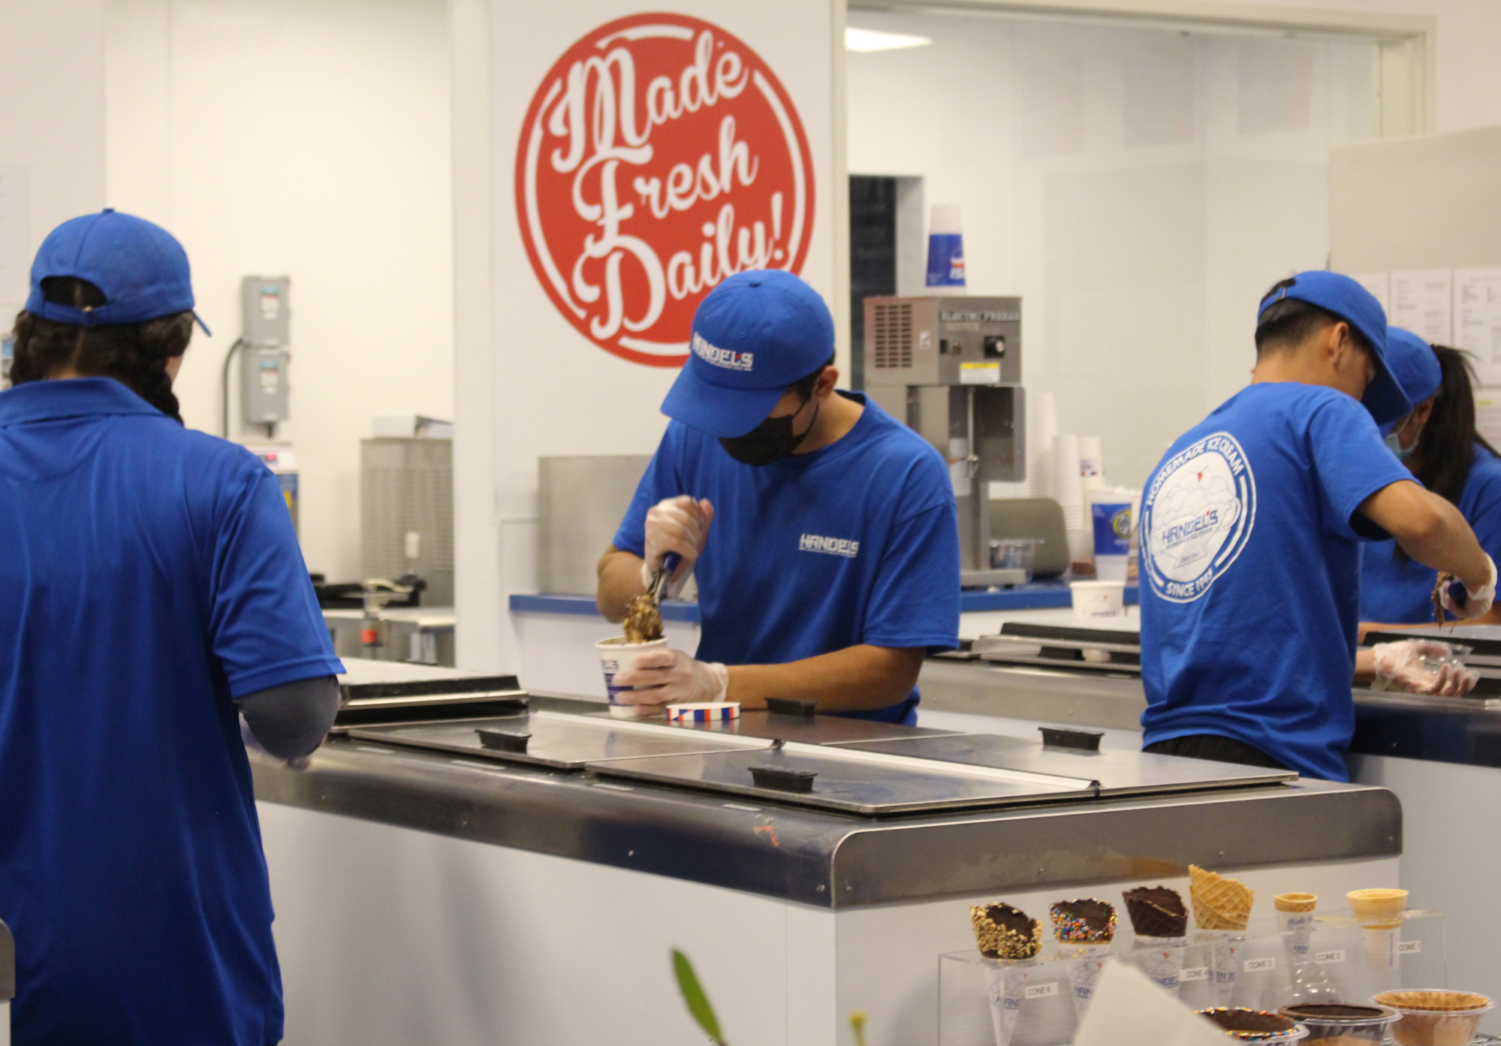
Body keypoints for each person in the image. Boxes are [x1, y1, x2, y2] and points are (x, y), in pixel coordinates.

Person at [0, 210, 344, 1045]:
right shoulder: (220, 485)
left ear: (30, 335)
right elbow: (292, 714)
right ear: (171, 348)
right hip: (161, 954)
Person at [1137, 271, 1494, 780]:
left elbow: (1245, 638)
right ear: (1340, 341)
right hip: (1274, 761)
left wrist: (1379, 660)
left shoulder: (1183, 450)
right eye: (1368, 378)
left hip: (1167, 758)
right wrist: (1479, 575)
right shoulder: (1321, 409)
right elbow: (1424, 523)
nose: (1362, 403)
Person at [595, 269, 960, 722]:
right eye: (718, 403)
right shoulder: (693, 436)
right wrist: (652, 575)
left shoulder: (904, 474)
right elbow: (609, 594)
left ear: (823, 384)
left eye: (751, 411)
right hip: (720, 741)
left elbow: (890, 671)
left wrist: (719, 683)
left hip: (855, 755)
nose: (730, 428)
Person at [1358, 328, 1501, 629]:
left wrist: (1366, 638)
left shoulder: (1488, 487)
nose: (1368, 438)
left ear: (1423, 410)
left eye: (1381, 425)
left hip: (1446, 671)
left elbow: (1493, 622)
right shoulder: (1355, 473)